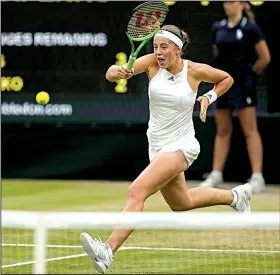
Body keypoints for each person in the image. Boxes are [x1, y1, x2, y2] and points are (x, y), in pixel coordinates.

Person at [80, 24, 252, 274]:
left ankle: (107, 250)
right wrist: (118, 71)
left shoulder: (194, 70)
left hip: (183, 145)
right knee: (182, 203)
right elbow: (109, 74)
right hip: (157, 147)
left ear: (177, 50)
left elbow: (226, 78)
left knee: (137, 191)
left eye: (164, 47)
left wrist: (208, 97)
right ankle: (236, 197)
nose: (158, 52)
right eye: (156, 47)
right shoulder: (150, 63)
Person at [200, 1, 271, 193]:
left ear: (241, 4)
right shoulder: (218, 28)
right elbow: (217, 54)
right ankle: (216, 174)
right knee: (222, 130)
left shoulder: (251, 28)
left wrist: (249, 76)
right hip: (223, 82)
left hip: (243, 84)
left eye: (232, 1)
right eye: (226, 1)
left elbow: (265, 57)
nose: (227, 5)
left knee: (250, 129)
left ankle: (257, 176)